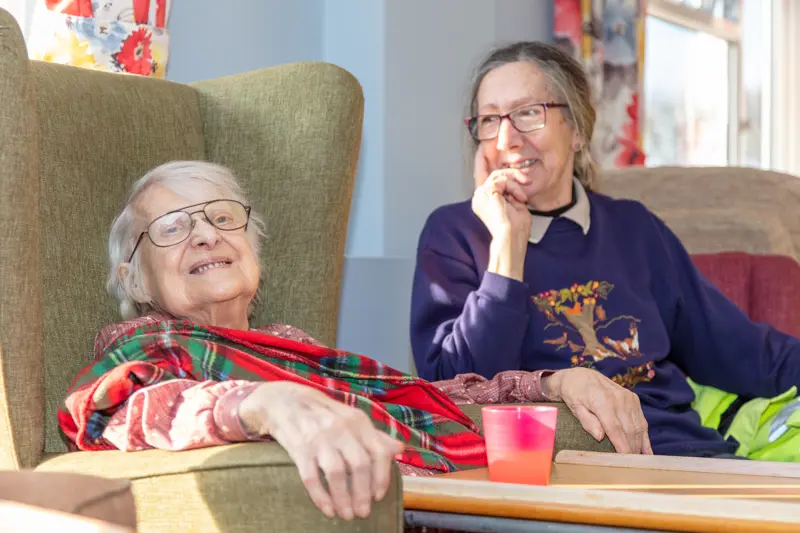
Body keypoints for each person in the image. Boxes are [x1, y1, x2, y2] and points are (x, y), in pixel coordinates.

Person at [59, 160, 552, 523]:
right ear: (136, 280)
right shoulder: (144, 342)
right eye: (172, 227)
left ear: (252, 251)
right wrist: (259, 404)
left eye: (223, 219)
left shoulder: (287, 342)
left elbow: (409, 398)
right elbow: (131, 411)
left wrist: (544, 386)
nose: (207, 236)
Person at [410, 41, 800, 459]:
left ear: (577, 130)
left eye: (528, 113)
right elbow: (457, 394)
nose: (507, 139)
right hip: (552, 470)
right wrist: (507, 247)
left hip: (681, 453)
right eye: (490, 120)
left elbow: (738, 349)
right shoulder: (454, 234)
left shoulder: (633, 227)